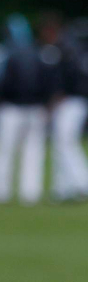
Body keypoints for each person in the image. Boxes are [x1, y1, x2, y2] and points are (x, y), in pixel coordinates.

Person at [0, 14, 57, 204]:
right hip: (35, 109)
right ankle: (30, 194)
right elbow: (49, 84)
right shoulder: (39, 53)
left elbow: (1, 84)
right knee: (33, 153)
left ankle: (0, 193)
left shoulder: (9, 54)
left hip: (11, 109)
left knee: (4, 151)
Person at [51, 21, 88, 202]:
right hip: (77, 102)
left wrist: (55, 100)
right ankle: (63, 188)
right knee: (61, 143)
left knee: (65, 142)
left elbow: (63, 81)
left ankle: (81, 183)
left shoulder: (68, 52)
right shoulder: (78, 53)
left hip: (70, 102)